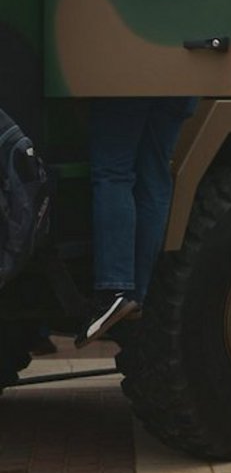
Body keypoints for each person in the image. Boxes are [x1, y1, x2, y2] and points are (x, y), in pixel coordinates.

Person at [77, 95, 198, 345]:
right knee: (155, 175)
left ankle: (114, 289)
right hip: (183, 81)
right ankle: (134, 295)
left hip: (128, 79)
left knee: (113, 172)